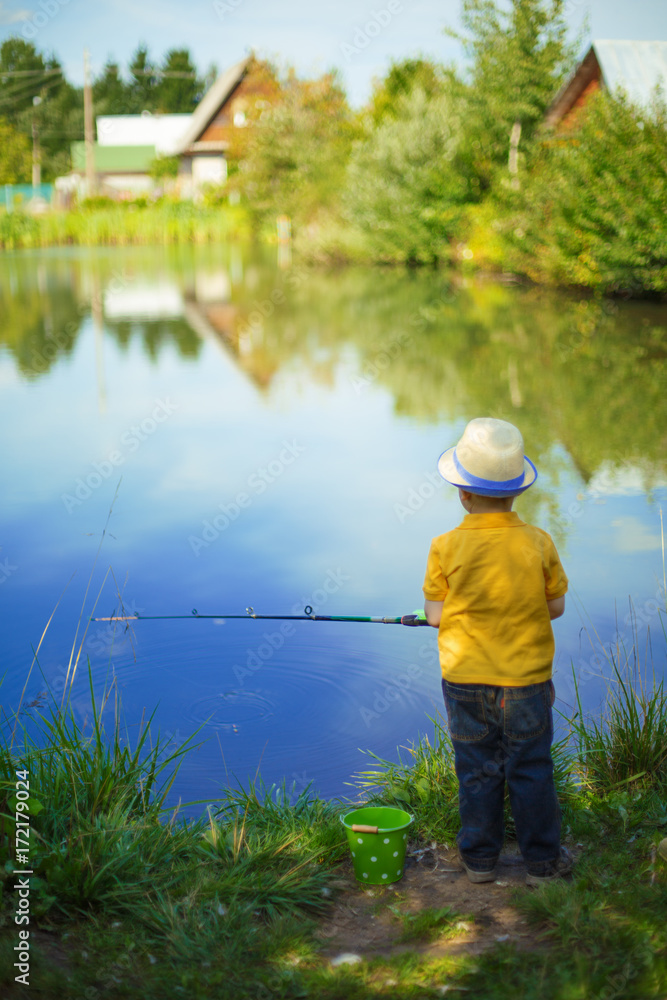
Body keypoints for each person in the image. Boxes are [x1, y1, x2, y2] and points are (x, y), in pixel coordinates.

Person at [422, 417, 571, 887]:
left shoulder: (445, 546)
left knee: (476, 770)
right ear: (516, 492)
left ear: (463, 493)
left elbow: (434, 617)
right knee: (530, 769)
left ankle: (480, 863)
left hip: (465, 681)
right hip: (526, 682)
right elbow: (556, 606)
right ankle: (543, 865)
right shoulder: (538, 542)